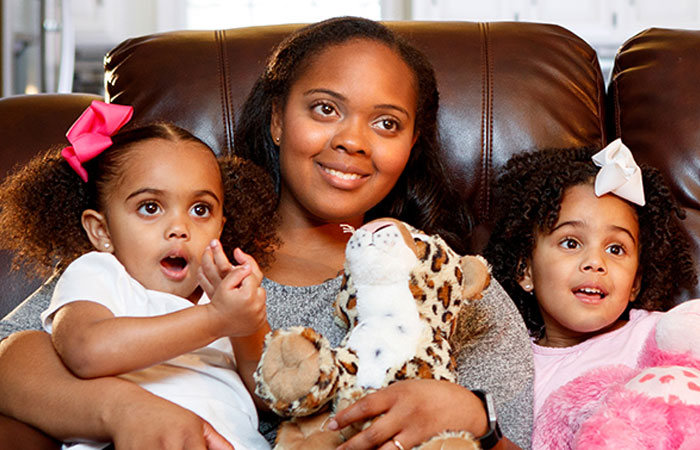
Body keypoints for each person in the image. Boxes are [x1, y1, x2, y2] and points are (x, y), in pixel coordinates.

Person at [0, 17, 534, 450]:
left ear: (412, 145)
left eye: (387, 123)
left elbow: (524, 440)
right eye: (325, 109)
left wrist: (475, 420)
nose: (352, 140)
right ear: (278, 119)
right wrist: (121, 410)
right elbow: (17, 353)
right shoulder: (182, 244)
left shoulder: (447, 283)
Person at [0, 100, 280, 450]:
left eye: (200, 209)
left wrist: (248, 325)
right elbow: (86, 351)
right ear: (101, 231)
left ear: (221, 227)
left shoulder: (221, 295)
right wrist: (215, 320)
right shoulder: (100, 274)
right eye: (150, 208)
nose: (179, 228)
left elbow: (270, 394)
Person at [483, 141, 697, 449]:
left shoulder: (658, 335)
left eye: (615, 249)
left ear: (635, 282)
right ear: (525, 270)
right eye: (571, 243)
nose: (596, 263)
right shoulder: (509, 362)